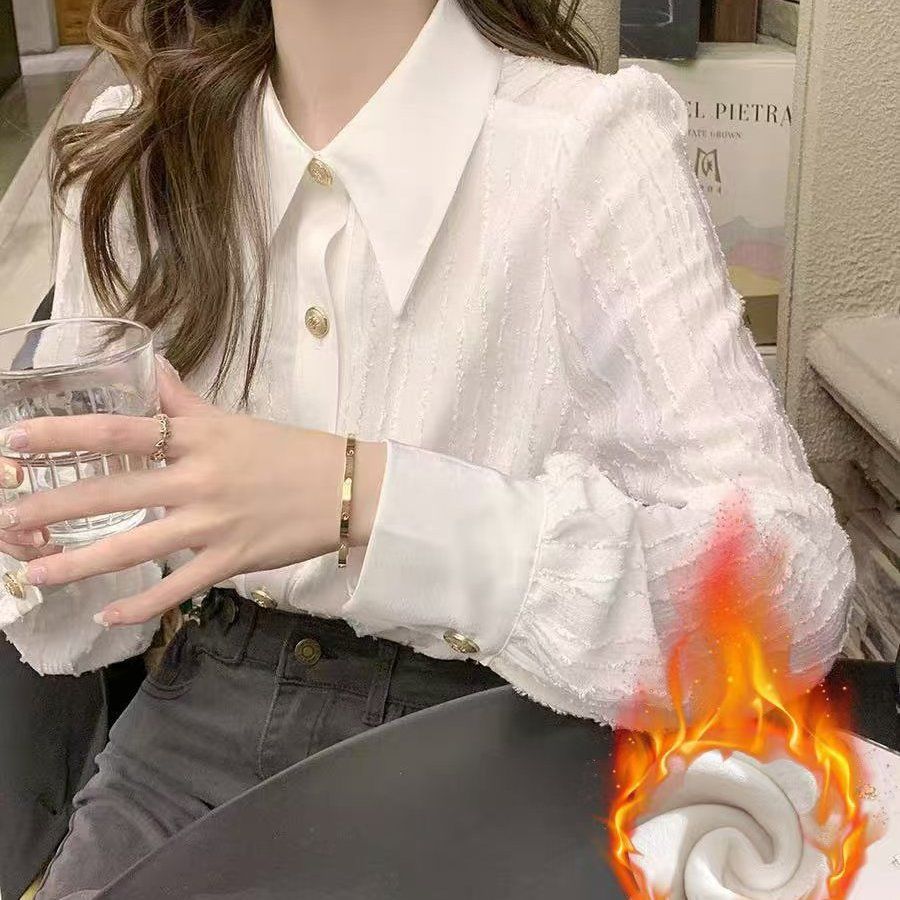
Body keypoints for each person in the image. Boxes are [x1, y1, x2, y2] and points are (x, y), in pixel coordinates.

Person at [0, 0, 853, 894]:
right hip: (202, 717)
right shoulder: (133, 153)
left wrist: (372, 497)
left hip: (504, 729)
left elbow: (790, 594)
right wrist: (38, 531)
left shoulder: (582, 150)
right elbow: (102, 597)